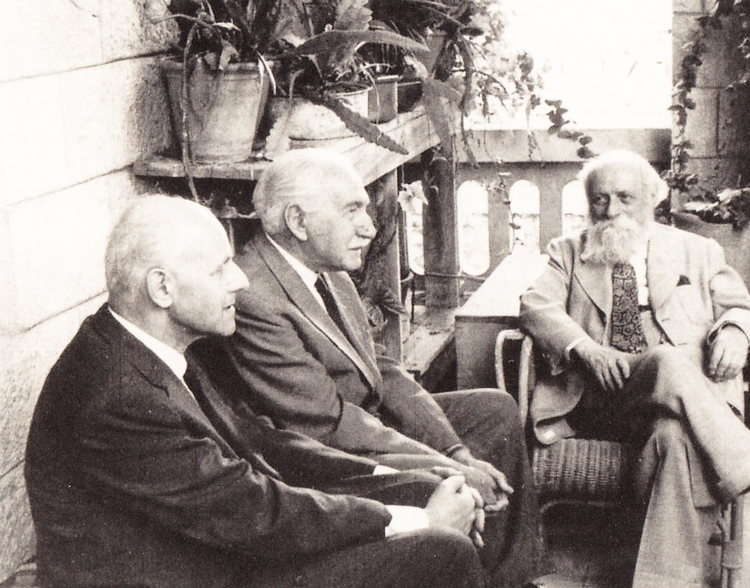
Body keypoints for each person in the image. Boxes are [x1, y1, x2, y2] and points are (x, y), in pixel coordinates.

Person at [25, 196, 488, 588]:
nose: (241, 280)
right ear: (162, 288)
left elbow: (262, 440)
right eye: (220, 268)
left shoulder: (159, 345)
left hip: (222, 547)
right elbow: (251, 511)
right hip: (199, 572)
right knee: (439, 549)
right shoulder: (116, 395)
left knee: (426, 488)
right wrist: (421, 521)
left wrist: (387, 473)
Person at [218, 148, 540, 588]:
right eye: (352, 210)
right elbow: (326, 424)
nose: (369, 228)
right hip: (330, 456)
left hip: (366, 424)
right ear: (297, 221)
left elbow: (382, 370)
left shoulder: (328, 270)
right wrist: (446, 465)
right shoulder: (255, 297)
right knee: (445, 480)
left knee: (494, 410)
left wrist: (454, 451)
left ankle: (505, 578)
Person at [518, 150, 750, 588]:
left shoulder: (698, 251)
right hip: (601, 398)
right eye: (600, 200)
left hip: (679, 410)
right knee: (668, 359)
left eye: (625, 197)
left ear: (653, 198)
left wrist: (735, 333)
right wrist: (585, 348)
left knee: (674, 439)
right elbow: (534, 306)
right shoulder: (568, 253)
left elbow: (745, 310)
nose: (612, 210)